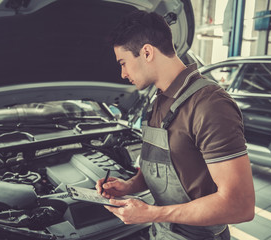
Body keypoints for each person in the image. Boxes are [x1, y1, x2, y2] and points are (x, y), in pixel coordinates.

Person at [95, 10, 255, 240]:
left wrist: (152, 213)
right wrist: (129, 186)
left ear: (147, 52)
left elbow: (240, 204)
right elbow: (170, 170)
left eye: (124, 63)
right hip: (162, 232)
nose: (122, 74)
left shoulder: (209, 104)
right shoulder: (157, 100)